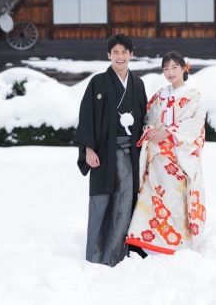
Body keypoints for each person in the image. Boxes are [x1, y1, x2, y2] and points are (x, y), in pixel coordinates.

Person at [73, 33, 148, 266]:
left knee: (125, 203)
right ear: (108, 55)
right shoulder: (97, 82)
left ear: (131, 54)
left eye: (124, 52)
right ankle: (96, 256)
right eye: (115, 52)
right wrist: (88, 149)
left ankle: (118, 254)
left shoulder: (137, 84)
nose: (120, 56)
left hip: (129, 154)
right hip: (103, 154)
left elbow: (145, 118)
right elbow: (87, 116)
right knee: (101, 202)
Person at [125, 51, 206, 255]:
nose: (170, 72)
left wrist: (169, 132)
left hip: (178, 157)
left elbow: (196, 124)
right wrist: (150, 130)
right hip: (157, 156)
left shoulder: (193, 95)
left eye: (174, 67)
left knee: (174, 200)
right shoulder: (159, 96)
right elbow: (147, 119)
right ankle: (146, 240)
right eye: (166, 68)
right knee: (152, 198)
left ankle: (175, 242)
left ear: (184, 68)